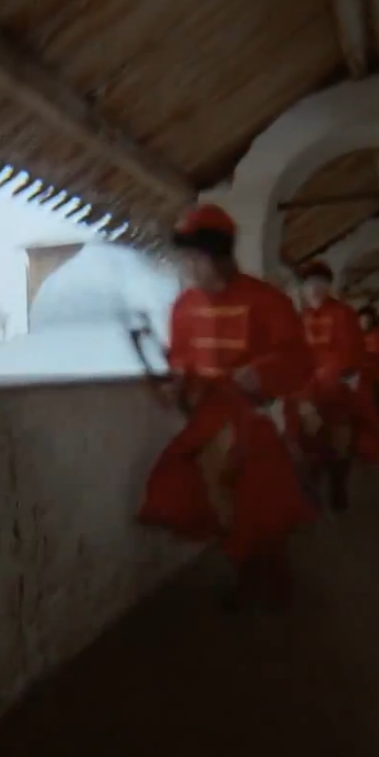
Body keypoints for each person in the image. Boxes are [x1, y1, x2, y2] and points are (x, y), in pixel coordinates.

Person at [137, 203, 316, 611]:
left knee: (259, 494)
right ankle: (245, 568)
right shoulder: (183, 306)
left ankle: (266, 569)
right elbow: (182, 359)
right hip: (212, 410)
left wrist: (261, 371)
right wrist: (177, 382)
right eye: (184, 260)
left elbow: (298, 359)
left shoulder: (268, 300)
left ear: (219, 257)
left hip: (258, 409)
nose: (188, 268)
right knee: (206, 486)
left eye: (195, 259)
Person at [284, 263, 379, 510]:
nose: (315, 290)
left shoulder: (343, 313)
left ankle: (338, 484)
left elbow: (351, 352)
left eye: (321, 284)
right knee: (304, 439)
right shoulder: (298, 317)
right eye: (310, 285)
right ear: (303, 288)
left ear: (328, 287)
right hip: (306, 388)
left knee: (339, 437)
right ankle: (311, 489)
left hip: (336, 385)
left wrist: (332, 374)